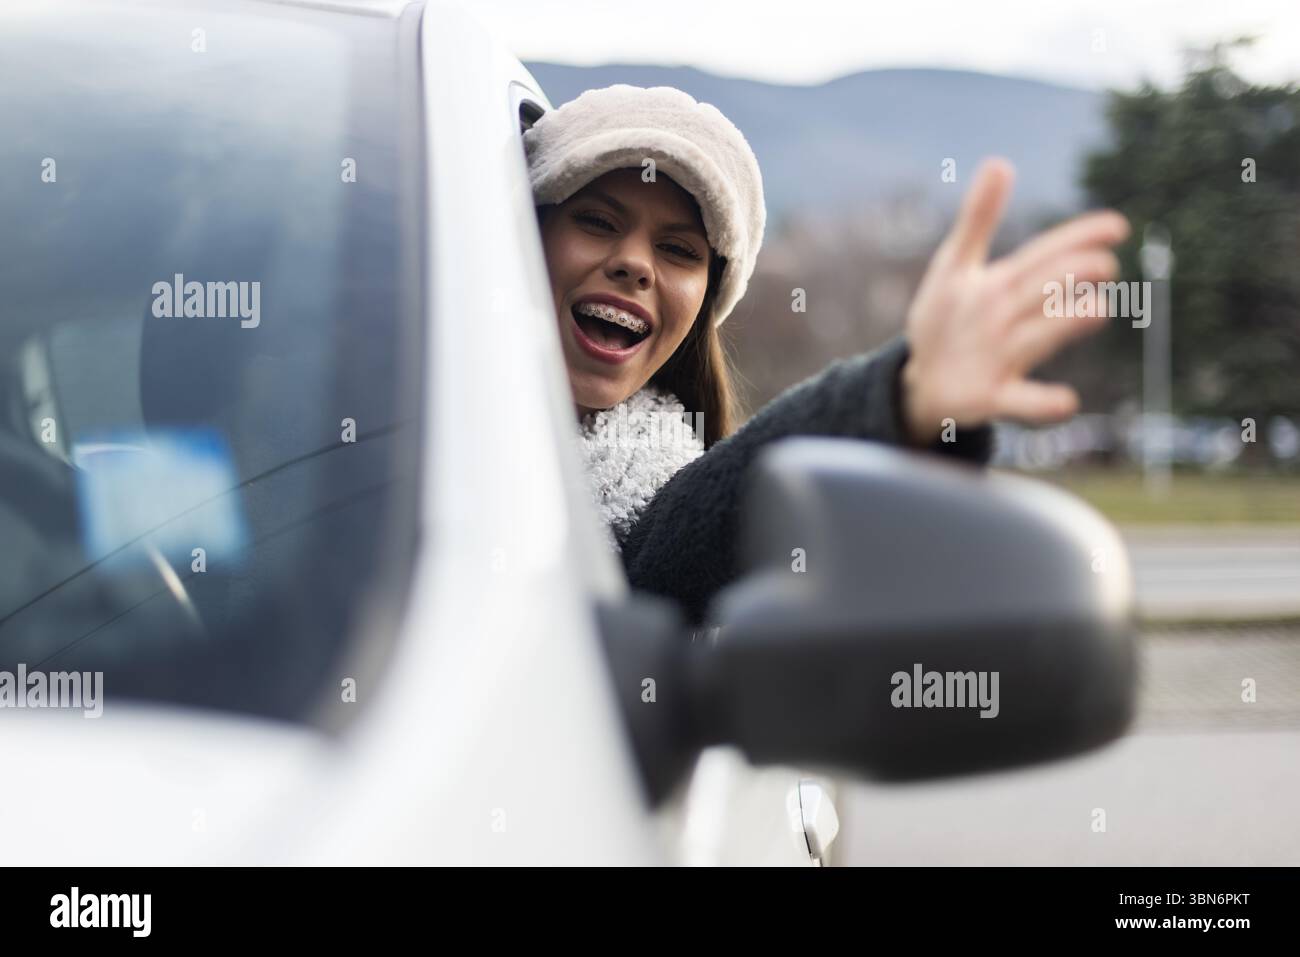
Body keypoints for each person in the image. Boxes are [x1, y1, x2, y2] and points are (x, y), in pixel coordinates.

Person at [525, 85, 1128, 622]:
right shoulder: (434, 411)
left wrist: (897, 395)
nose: (634, 263)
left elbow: (710, 519)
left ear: (705, 302)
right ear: (527, 232)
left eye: (678, 249)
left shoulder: (660, 511)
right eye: (598, 220)